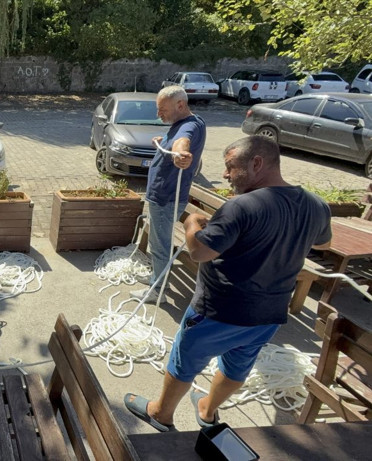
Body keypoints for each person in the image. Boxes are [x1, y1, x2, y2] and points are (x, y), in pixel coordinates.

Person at [124, 136, 332, 432]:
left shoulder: (242, 207)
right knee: (237, 367)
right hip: (269, 314)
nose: (225, 175)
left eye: (230, 167)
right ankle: (207, 411)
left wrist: (191, 223)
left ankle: (161, 414)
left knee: (184, 363)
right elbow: (324, 242)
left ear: (256, 163)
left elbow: (199, 251)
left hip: (218, 312)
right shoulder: (316, 205)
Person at [131, 86, 206, 304]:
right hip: (164, 197)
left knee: (159, 245)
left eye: (162, 109)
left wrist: (180, 153)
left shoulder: (189, 127)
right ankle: (156, 278)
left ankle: (158, 291)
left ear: (180, 105)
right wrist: (163, 141)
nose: (158, 114)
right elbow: (176, 138)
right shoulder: (185, 122)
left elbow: (183, 141)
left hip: (166, 199)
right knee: (158, 241)